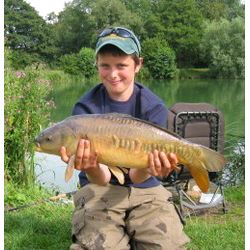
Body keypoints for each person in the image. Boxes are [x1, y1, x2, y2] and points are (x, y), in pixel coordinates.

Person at [60, 27, 190, 250]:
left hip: (146, 187)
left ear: (138, 64)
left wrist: (152, 167)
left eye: (121, 65)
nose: (113, 74)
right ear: (97, 65)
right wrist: (89, 167)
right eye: (105, 65)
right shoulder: (84, 110)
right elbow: (100, 179)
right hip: (100, 188)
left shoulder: (153, 106)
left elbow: (138, 177)